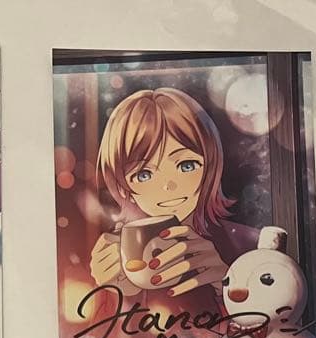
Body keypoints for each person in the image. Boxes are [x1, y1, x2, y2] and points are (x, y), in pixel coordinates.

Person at [89, 88, 259, 323]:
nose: (168, 185)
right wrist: (115, 296)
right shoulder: (117, 256)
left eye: (186, 165)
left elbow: (275, 332)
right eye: (144, 174)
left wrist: (228, 286)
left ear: (210, 168)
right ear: (123, 186)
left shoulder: (250, 246)